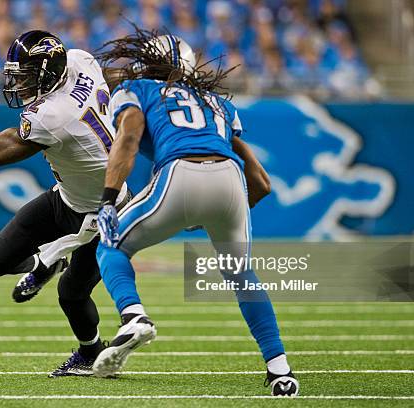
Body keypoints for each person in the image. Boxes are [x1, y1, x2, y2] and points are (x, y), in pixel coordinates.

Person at [92, 30, 299, 396]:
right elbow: (262, 183)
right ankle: (280, 370)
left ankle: (134, 315)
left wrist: (108, 198)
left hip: (180, 171)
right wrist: (216, 212)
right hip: (231, 180)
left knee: (110, 245)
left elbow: (128, 137)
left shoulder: (138, 90)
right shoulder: (216, 102)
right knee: (241, 275)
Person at [0, 30, 129, 377]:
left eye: (25, 77)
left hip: (104, 213)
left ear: (49, 72)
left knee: (72, 294)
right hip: (66, 198)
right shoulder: (81, 59)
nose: (19, 85)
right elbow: (105, 81)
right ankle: (47, 262)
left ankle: (90, 355)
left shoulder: (51, 116)